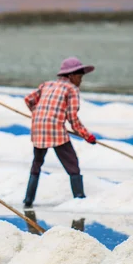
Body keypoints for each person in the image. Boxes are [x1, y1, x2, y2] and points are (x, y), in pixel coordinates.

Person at [23, 57, 96, 208]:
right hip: (55, 130)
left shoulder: (47, 84)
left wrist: (38, 114)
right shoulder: (72, 90)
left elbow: (28, 99)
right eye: (79, 77)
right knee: (72, 164)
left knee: (37, 164)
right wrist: (87, 135)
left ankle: (28, 200)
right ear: (71, 76)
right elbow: (72, 118)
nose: (80, 81)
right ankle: (79, 198)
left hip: (38, 128)